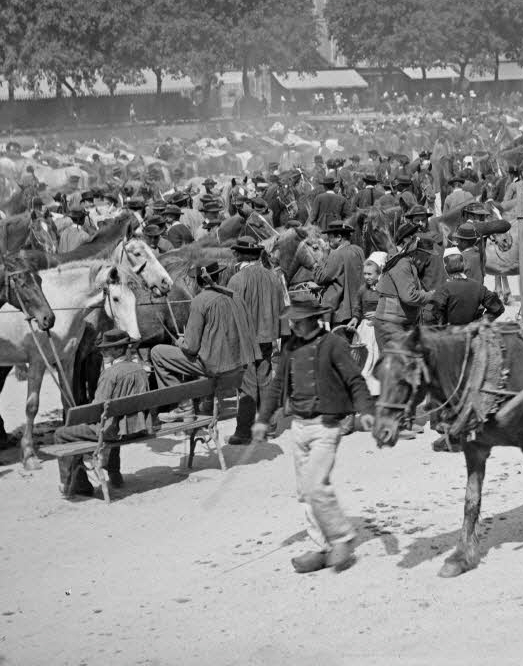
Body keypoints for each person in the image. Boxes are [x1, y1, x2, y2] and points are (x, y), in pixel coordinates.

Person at [251, 293, 374, 574]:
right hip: (299, 425)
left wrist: (365, 410)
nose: (292, 326)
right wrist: (263, 418)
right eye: (291, 321)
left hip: (326, 425)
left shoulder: (334, 344)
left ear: (311, 320)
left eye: (297, 321)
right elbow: (277, 384)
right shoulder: (291, 347)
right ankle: (322, 547)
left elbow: (354, 379)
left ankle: (342, 537)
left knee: (316, 485)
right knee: (304, 492)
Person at [53, 328, 151, 498]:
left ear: (120, 349)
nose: (103, 351)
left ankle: (76, 484)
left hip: (114, 432)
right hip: (137, 428)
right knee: (117, 421)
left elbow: (96, 410)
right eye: (103, 348)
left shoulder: (109, 375)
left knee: (61, 434)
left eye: (108, 348)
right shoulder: (140, 370)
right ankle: (115, 475)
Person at [150, 261, 257, 399]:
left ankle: (184, 406)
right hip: (238, 363)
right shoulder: (233, 296)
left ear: (197, 282)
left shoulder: (199, 301)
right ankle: (205, 401)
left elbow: (192, 347)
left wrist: (180, 342)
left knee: (157, 352)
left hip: (215, 366)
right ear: (217, 277)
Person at [226, 236, 286, 445]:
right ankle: (268, 426)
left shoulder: (236, 280)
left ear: (241, 255)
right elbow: (282, 307)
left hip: (246, 339)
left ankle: (243, 431)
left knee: (248, 384)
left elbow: (231, 314)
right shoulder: (273, 277)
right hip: (268, 336)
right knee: (265, 378)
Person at [313, 219, 365, 327]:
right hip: (358, 310)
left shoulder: (337, 255)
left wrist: (325, 255)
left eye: (330, 237)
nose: (328, 241)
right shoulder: (359, 250)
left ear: (339, 237)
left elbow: (319, 278)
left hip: (342, 313)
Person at [436, 247, 504, 326]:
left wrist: (441, 328)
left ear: (445, 268)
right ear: (464, 265)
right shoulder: (478, 287)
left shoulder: (443, 289)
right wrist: (480, 322)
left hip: (451, 335)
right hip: (472, 335)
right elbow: (498, 307)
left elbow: (429, 314)